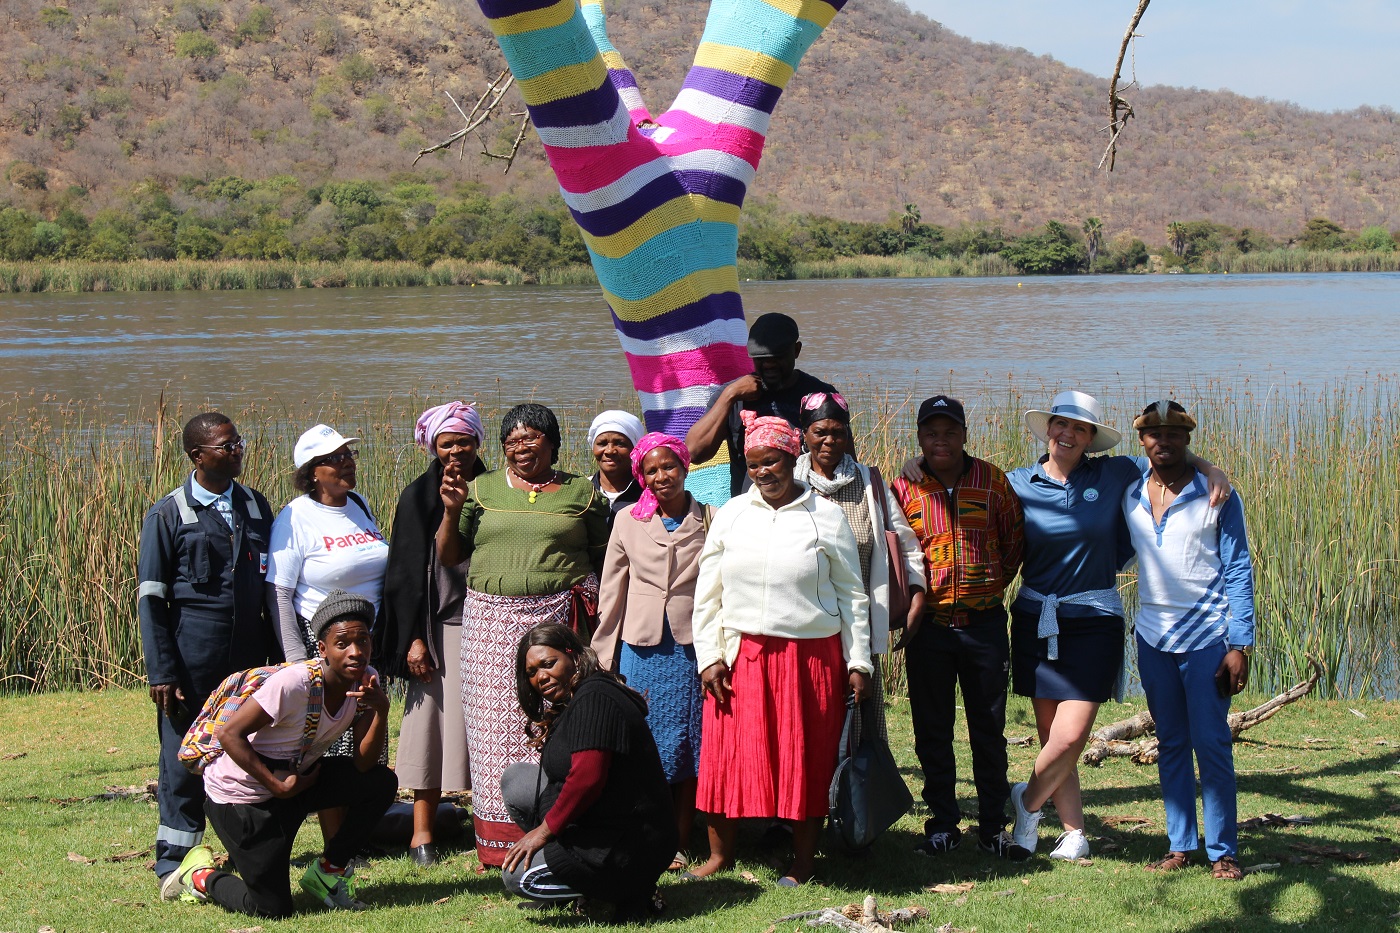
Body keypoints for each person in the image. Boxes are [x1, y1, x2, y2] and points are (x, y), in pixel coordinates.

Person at [1001, 391, 1229, 862]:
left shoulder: (1116, 473)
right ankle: (1074, 831)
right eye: (1061, 425)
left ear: (1091, 440)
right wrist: (916, 465)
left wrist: (1212, 470)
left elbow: (1169, 456)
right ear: (1049, 429)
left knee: (1071, 736)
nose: (1068, 435)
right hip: (1035, 618)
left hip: (1095, 619)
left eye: (1080, 430)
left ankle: (1026, 804)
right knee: (1052, 737)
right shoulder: (1016, 483)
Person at [689, 412, 872, 885]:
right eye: (753, 465)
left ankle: (804, 861)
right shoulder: (731, 514)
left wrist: (859, 659)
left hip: (810, 658)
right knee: (726, 755)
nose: (763, 472)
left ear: (793, 458)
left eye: (771, 462)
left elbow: (852, 594)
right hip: (741, 655)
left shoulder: (825, 516)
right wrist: (709, 656)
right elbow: (707, 593)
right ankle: (720, 856)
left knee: (805, 757)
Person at [438, 402, 610, 867]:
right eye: (511, 441)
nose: (520, 447)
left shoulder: (582, 494)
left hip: (555, 622)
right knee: (493, 725)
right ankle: (498, 842)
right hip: (490, 626)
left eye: (531, 437)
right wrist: (452, 511)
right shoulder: (481, 489)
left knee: (555, 716)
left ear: (553, 443)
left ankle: (561, 829)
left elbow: (601, 557)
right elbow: (451, 555)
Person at [168, 590, 397, 917]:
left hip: (296, 781)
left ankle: (328, 873)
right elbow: (229, 735)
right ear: (323, 649)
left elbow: (363, 762)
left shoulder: (367, 682)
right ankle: (200, 875)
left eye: (363, 641)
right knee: (271, 908)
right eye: (343, 643)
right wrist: (275, 786)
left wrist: (380, 712)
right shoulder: (294, 684)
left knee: (381, 782)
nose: (356, 652)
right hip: (243, 796)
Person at [138, 411, 280, 899]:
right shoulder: (168, 514)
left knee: (244, 749)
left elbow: (270, 589)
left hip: (248, 657)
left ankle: (242, 845)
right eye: (225, 444)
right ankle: (174, 859)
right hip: (192, 653)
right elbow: (152, 599)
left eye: (238, 441)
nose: (236, 449)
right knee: (182, 758)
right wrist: (161, 669)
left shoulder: (256, 507)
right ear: (197, 455)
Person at [1126, 401, 1255, 882]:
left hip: (1207, 638)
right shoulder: (1130, 490)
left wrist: (1239, 643)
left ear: (1188, 437)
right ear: (1142, 441)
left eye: (1175, 433)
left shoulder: (1217, 495)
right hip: (1152, 637)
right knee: (1172, 741)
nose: (1164, 441)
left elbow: (1238, 568)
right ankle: (1181, 845)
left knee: (1212, 742)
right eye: (1154, 434)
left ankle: (1224, 850)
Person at [890, 395, 1025, 859]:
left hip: (984, 625)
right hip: (930, 629)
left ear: (965, 435)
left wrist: (984, 588)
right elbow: (897, 552)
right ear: (920, 437)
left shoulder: (992, 480)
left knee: (988, 727)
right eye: (931, 433)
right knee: (932, 728)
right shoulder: (905, 487)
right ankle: (943, 823)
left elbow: (1012, 544)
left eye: (950, 432)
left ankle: (992, 826)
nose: (940, 440)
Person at [501, 624, 677, 920]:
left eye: (548, 663)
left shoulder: (595, 697)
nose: (541, 677)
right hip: (599, 820)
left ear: (572, 655)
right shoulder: (577, 697)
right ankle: (588, 886)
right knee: (517, 779)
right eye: (531, 672)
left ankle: (627, 888)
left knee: (518, 877)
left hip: (628, 842)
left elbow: (587, 779)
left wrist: (542, 833)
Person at [265, 423, 390, 839]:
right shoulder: (295, 516)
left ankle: (360, 831)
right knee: (331, 742)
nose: (347, 463)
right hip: (322, 643)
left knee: (368, 727)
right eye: (335, 459)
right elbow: (280, 592)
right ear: (312, 472)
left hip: (364, 639)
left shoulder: (359, 502)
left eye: (348, 455)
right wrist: (298, 664)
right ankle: (336, 840)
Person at [592, 432, 708, 871]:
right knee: (649, 743)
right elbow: (612, 591)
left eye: (669, 467)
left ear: (684, 467)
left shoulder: (711, 518)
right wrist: (603, 658)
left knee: (688, 741)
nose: (661, 477)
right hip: (641, 649)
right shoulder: (627, 521)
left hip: (693, 646)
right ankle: (648, 831)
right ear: (640, 475)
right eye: (651, 470)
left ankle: (680, 836)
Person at [380, 402, 487, 866]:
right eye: (448, 443)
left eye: (464, 441)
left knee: (489, 726)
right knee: (427, 727)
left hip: (489, 620)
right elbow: (403, 575)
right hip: (439, 624)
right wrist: (413, 640)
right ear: (433, 446)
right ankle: (420, 833)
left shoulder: (495, 489)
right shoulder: (416, 496)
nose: (457, 451)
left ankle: (493, 822)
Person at [792, 390, 926, 727]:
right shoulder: (786, 481)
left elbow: (907, 544)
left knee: (860, 723)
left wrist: (917, 593)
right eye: (819, 432)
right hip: (803, 626)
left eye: (838, 432)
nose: (829, 441)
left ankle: (859, 779)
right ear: (804, 434)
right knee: (811, 719)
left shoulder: (870, 482)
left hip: (859, 625)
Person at [686, 313, 839, 500]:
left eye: (777, 358)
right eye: (761, 359)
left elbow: (847, 460)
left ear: (796, 350)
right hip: (751, 511)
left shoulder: (820, 396)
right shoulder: (734, 396)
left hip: (810, 507)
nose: (768, 365)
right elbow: (694, 453)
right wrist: (730, 396)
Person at [586, 410, 646, 531]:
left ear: (635, 449)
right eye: (602, 443)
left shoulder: (648, 495)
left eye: (620, 443)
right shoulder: (583, 490)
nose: (609, 451)